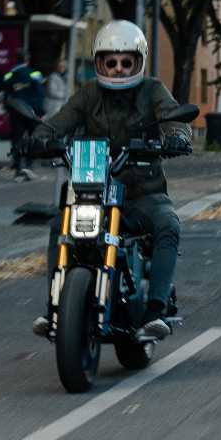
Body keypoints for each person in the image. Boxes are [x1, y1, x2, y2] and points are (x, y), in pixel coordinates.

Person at [29, 21, 191, 342]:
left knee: (168, 225)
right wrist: (37, 139)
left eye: (126, 62)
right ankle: (55, 307)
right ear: (99, 62)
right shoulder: (89, 93)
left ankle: (155, 310)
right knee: (58, 225)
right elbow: (59, 122)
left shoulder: (152, 90)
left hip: (142, 193)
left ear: (139, 62)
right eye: (110, 62)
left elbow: (173, 117)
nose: (118, 69)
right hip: (93, 190)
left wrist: (176, 137)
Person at [0, 57, 48, 181]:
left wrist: (7, 109)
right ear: (26, 60)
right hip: (32, 112)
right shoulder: (34, 74)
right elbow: (40, 93)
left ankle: (18, 168)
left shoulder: (8, 76)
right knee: (33, 138)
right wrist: (41, 112)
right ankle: (29, 166)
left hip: (16, 113)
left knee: (17, 139)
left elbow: (5, 95)